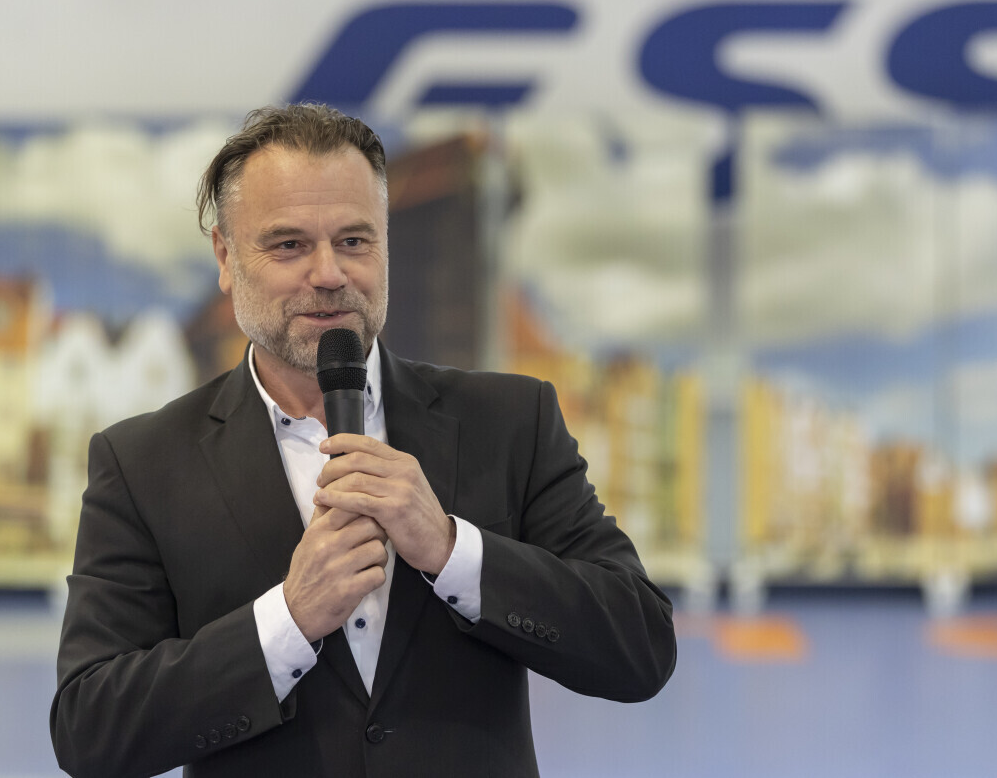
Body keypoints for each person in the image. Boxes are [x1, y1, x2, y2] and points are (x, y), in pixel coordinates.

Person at [50, 104, 677, 778]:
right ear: (226, 257)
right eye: (289, 245)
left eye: (354, 240)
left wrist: (452, 549)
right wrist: (287, 620)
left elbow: (639, 646)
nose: (329, 273)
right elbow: (92, 730)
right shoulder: (143, 463)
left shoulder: (511, 422)